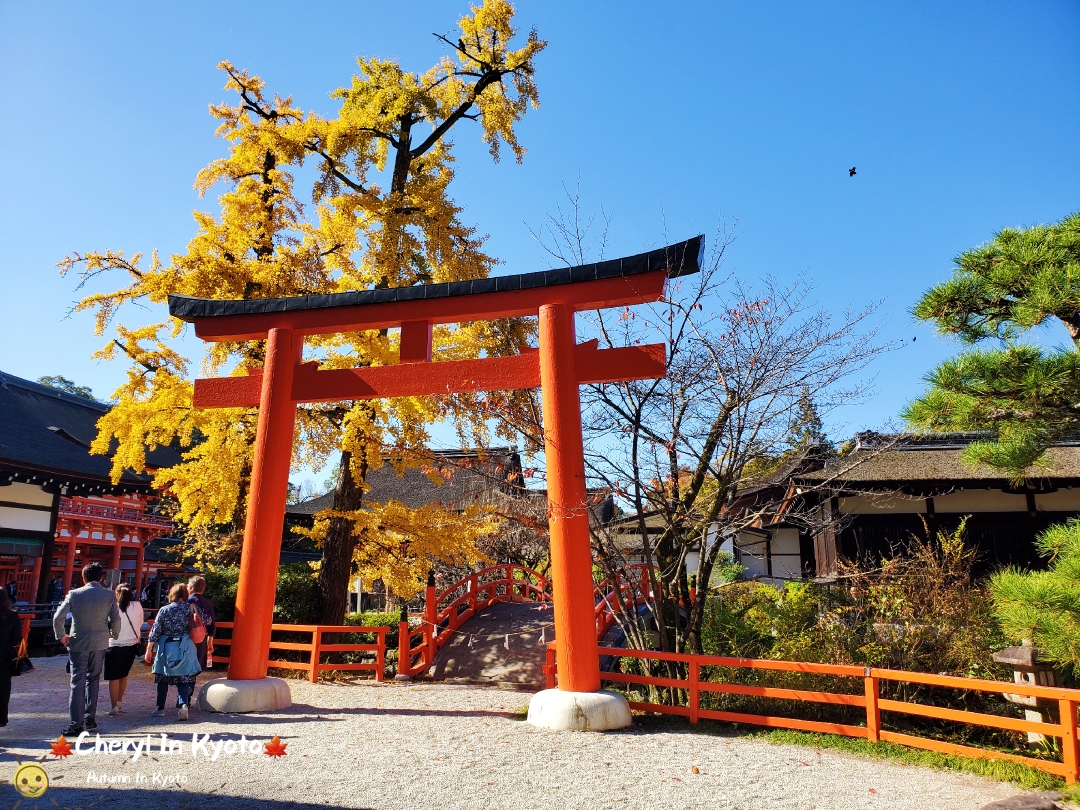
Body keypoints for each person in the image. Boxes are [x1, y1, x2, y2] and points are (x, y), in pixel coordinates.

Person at [52, 563, 120, 736]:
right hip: (100, 641)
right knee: (94, 678)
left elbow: (58, 617)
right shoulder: (109, 594)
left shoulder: (75, 594)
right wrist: (113, 634)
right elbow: (116, 619)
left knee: (77, 681)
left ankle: (76, 723)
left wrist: (62, 635)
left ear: (83, 577)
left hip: (78, 641)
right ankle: (90, 718)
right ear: (101, 577)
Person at [146, 583, 205, 721]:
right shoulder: (191, 608)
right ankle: (183, 704)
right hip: (185, 644)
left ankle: (160, 708)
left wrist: (149, 649)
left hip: (166, 644)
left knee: (162, 676)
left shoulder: (164, 610)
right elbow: (205, 621)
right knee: (183, 677)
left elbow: (155, 631)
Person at [104, 584, 144, 716]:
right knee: (124, 674)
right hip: (131, 644)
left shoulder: (113, 607)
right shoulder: (137, 606)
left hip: (114, 643)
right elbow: (141, 621)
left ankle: (114, 705)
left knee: (113, 676)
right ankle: (120, 702)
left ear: (117, 593)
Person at [0, 590, 23, 726]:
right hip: (4, 656)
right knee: (2, 689)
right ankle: (1, 718)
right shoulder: (12, 616)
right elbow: (17, 639)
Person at [187, 576, 216, 671]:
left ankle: (185, 685)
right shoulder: (208, 604)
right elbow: (212, 625)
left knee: (186, 664)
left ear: (191, 588)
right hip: (202, 637)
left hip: (187, 636)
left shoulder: (187, 602)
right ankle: (191, 684)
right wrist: (210, 641)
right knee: (196, 665)